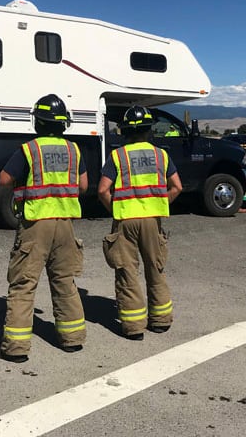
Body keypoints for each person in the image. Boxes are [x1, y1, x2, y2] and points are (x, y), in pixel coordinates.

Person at [0, 94, 88, 363]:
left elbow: (4, 179)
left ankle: (16, 348)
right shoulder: (74, 150)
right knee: (65, 281)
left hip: (36, 224)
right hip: (66, 225)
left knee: (23, 285)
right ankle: (72, 339)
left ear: (38, 122)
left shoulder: (29, 149)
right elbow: (83, 186)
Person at [98, 106, 182, 340]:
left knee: (127, 272)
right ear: (148, 130)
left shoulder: (118, 156)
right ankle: (161, 321)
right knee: (155, 269)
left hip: (126, 220)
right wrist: (160, 203)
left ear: (125, 131)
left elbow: (103, 190)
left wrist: (116, 209)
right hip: (152, 221)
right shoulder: (161, 155)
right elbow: (177, 186)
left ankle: (134, 327)